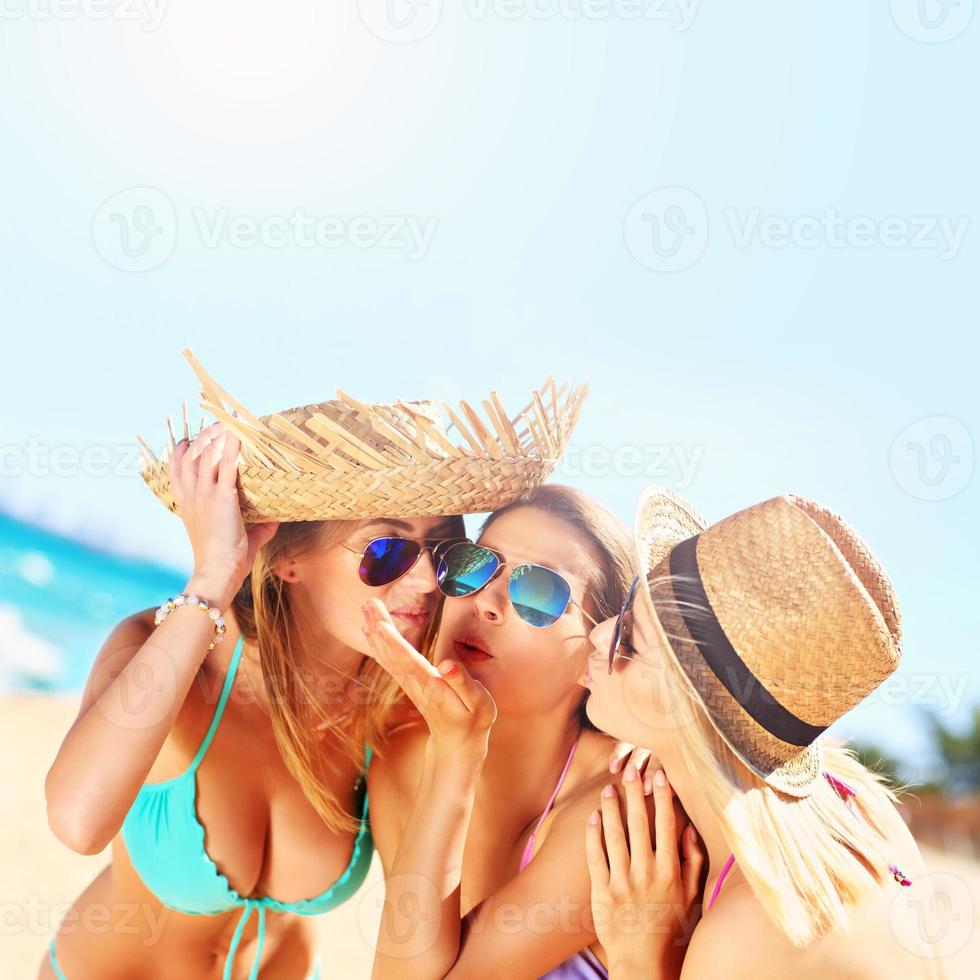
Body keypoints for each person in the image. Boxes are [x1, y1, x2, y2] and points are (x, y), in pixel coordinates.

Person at [41, 351, 584, 980]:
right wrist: (214, 576)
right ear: (289, 559)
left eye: (441, 550)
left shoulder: (400, 704)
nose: (426, 579)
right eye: (385, 549)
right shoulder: (168, 654)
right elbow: (77, 822)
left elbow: (444, 911)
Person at [581, 486, 942, 978]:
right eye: (625, 606)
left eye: (629, 640)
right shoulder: (858, 806)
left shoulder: (744, 934)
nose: (600, 634)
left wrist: (636, 957)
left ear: (696, 713)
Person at [362, 485, 697, 978]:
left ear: (601, 646)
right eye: (473, 565)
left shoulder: (622, 804)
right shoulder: (403, 759)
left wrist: (457, 750)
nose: (487, 603)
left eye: (537, 591)